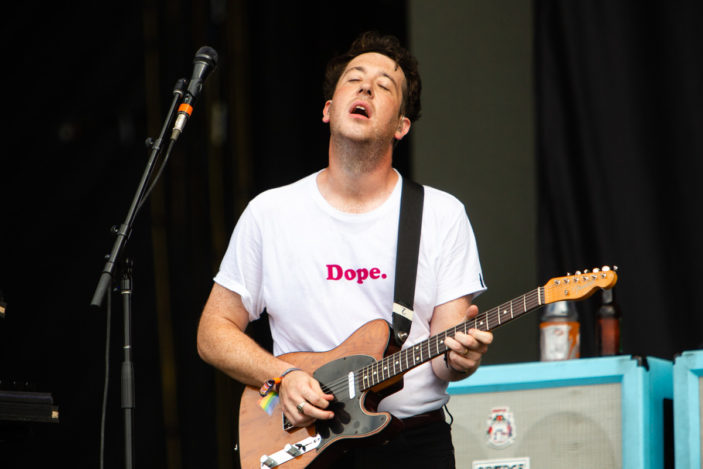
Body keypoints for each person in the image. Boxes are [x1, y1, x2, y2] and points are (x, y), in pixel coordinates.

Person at [196, 31, 493, 468]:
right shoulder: (270, 212)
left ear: (401, 126)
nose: (366, 87)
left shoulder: (441, 214)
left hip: (411, 445)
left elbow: (444, 363)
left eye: (384, 86)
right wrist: (283, 377)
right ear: (328, 109)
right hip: (306, 442)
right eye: (354, 79)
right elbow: (213, 332)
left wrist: (462, 359)